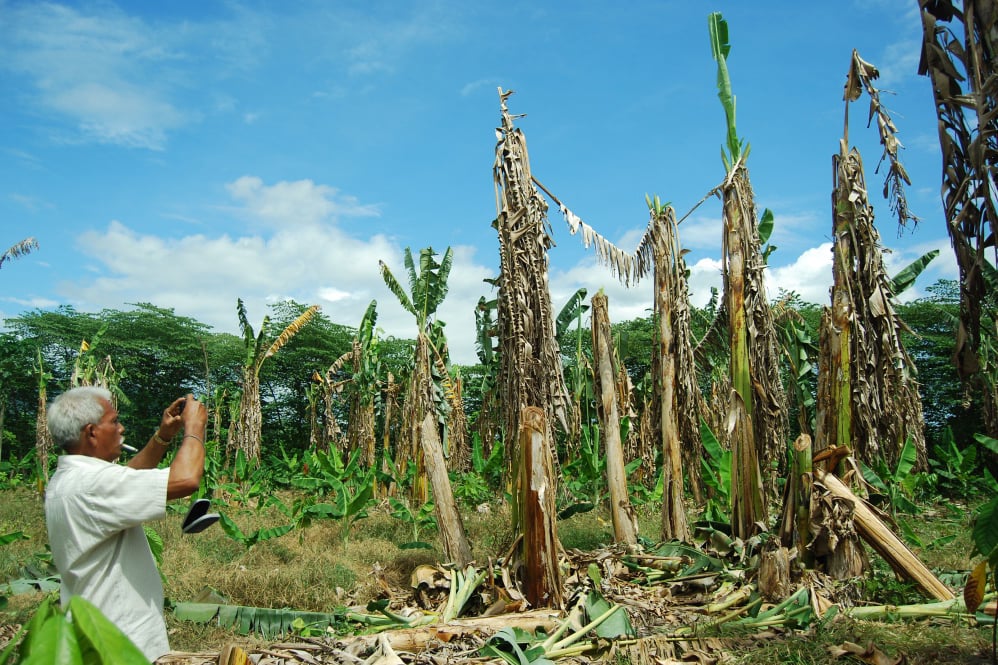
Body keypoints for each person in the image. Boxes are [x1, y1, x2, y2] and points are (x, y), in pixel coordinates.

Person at [44, 386, 207, 662]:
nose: (121, 429)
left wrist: (163, 436)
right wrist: (195, 427)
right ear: (91, 432)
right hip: (120, 640)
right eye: (114, 421)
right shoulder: (93, 486)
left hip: (96, 632)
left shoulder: (73, 481)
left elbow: (128, 478)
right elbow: (186, 479)